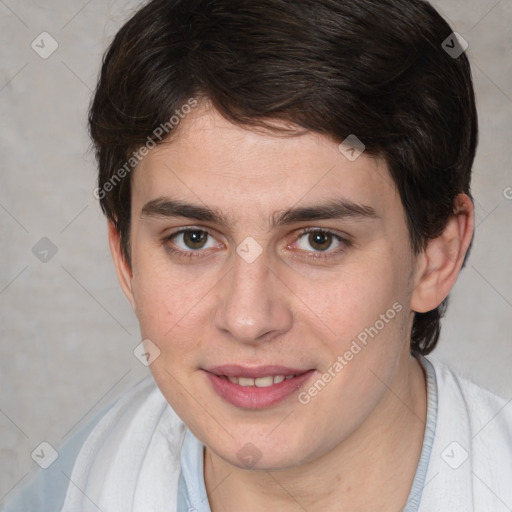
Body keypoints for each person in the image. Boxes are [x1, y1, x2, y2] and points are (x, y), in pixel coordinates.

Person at [4, 0, 512, 510]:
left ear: (437, 255)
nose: (248, 319)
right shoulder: (74, 487)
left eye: (319, 240)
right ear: (126, 260)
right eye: (193, 239)